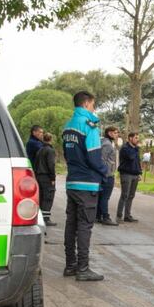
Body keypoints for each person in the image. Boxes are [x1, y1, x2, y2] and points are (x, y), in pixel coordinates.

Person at [62, 91, 108, 281]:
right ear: (87, 103)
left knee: (71, 224)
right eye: (93, 104)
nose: (94, 108)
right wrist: (104, 170)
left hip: (72, 182)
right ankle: (83, 268)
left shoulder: (67, 127)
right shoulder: (90, 126)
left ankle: (70, 265)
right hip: (87, 184)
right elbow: (94, 157)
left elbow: (67, 155)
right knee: (84, 226)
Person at [117, 131, 143, 222]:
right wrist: (136, 149)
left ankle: (127, 216)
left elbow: (137, 161)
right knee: (125, 195)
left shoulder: (135, 149)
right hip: (126, 174)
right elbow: (131, 157)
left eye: (138, 138)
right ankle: (119, 216)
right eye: (136, 138)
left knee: (131, 196)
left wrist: (139, 173)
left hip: (135, 175)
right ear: (130, 138)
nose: (137, 139)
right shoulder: (125, 148)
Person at [96, 126, 119, 225]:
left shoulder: (105, 142)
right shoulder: (107, 144)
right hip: (107, 175)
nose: (117, 135)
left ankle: (98, 216)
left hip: (104, 174)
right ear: (109, 133)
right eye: (115, 133)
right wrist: (106, 173)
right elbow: (102, 160)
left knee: (101, 196)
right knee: (105, 197)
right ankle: (105, 217)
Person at [34, 132, 57, 227]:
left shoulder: (39, 150)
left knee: (41, 197)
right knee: (48, 197)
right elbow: (51, 165)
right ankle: (46, 219)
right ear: (51, 139)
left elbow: (35, 164)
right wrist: (52, 178)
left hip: (39, 176)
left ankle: (40, 218)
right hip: (47, 177)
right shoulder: (50, 151)